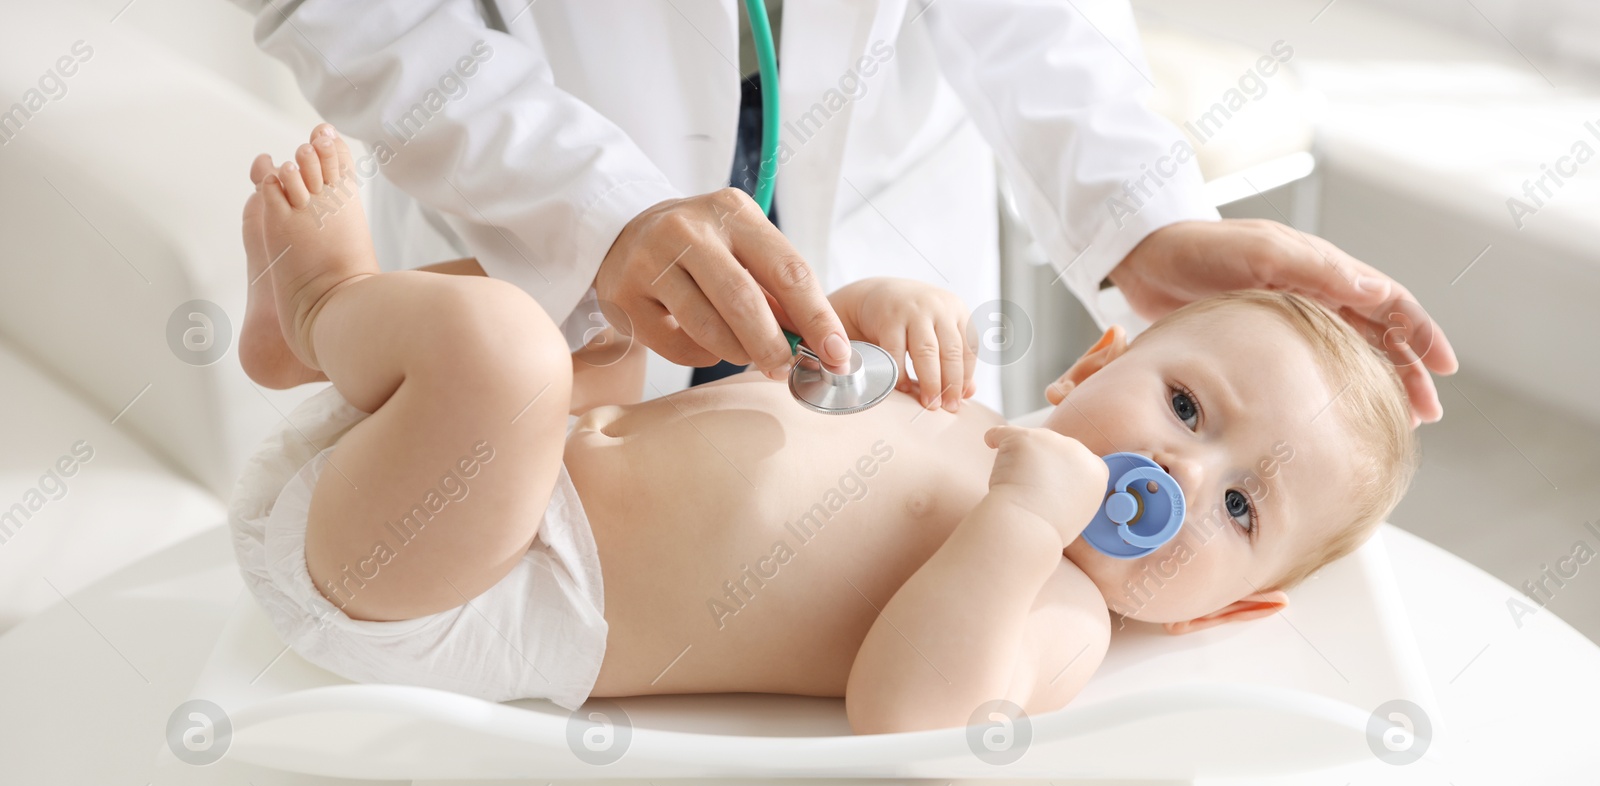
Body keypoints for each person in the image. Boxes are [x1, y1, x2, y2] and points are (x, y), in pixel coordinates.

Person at [231, 129, 1417, 733]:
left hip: (458, 584)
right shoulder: (966, 409)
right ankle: (306, 345)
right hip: (484, 477)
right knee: (601, 300)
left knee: (507, 347)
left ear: (1227, 608)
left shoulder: (1058, 610)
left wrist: (1017, 523)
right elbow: (790, 385)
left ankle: (326, 303)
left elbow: (909, 711)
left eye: (1239, 509)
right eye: (1186, 408)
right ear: (1094, 358)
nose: (1179, 471)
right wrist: (855, 321)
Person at [239, 0, 1455, 422]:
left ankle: (322, 305)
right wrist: (594, 211)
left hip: (876, 240)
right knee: (507, 407)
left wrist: (1138, 218)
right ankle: (324, 302)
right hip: (530, 206)